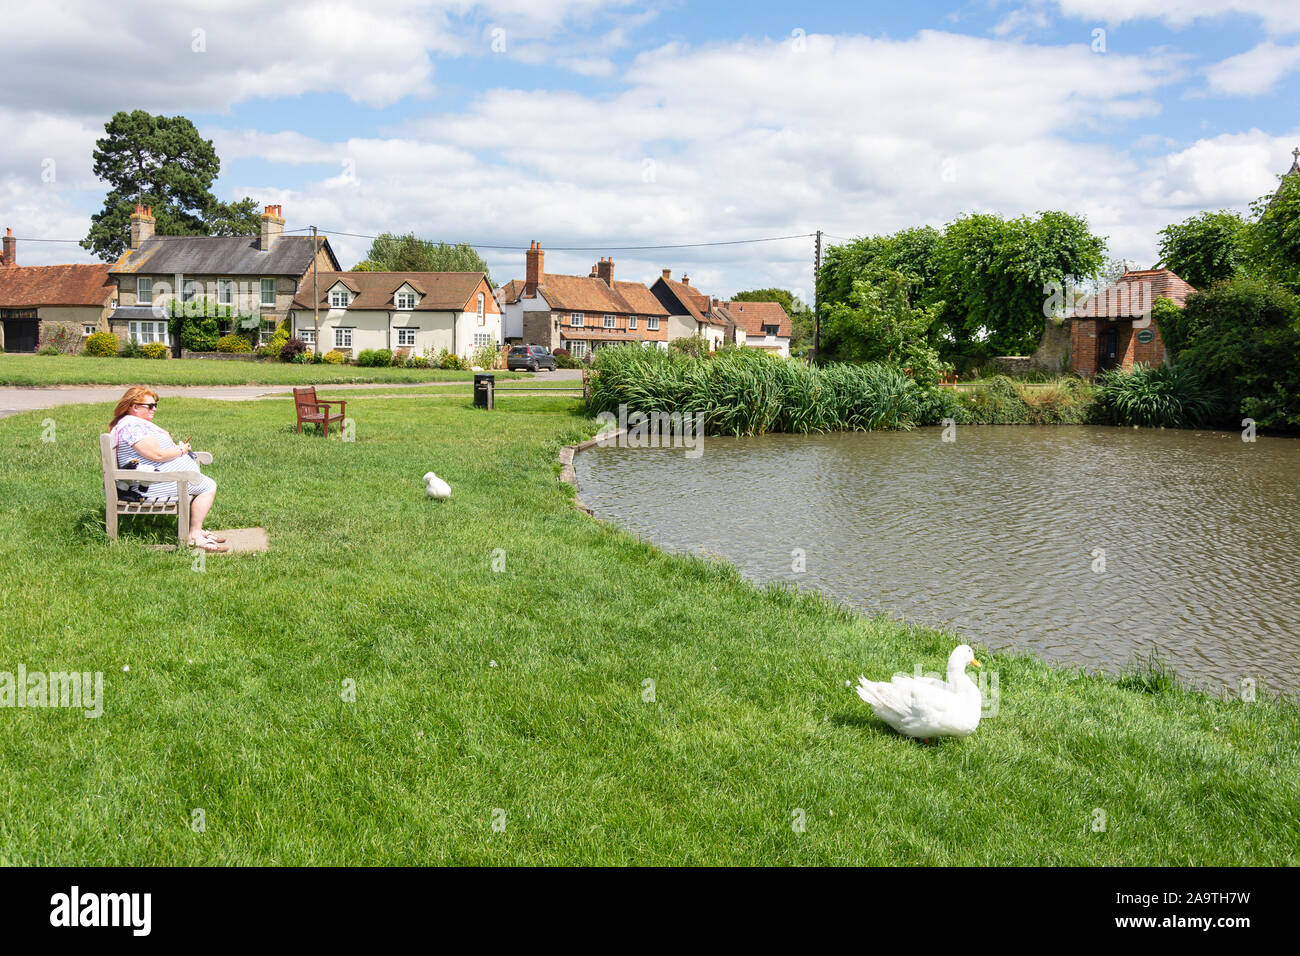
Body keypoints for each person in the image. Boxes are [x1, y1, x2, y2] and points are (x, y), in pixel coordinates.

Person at [109, 386, 228, 552]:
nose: (155, 409)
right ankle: (194, 536)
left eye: (156, 405)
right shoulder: (132, 427)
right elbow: (156, 455)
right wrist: (181, 451)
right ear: (134, 407)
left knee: (203, 484)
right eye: (150, 406)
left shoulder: (135, 424)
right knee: (208, 486)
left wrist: (180, 451)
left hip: (154, 481)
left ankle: (197, 530)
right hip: (146, 487)